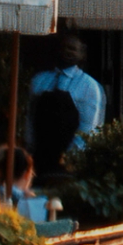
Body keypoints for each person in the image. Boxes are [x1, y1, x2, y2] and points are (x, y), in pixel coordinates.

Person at [23, 35, 105, 177]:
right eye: (63, 47)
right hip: (38, 161)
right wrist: (29, 150)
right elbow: (30, 118)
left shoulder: (89, 86)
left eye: (72, 49)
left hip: (70, 167)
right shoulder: (39, 80)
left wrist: (68, 159)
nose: (66, 52)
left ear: (82, 54)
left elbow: (88, 130)